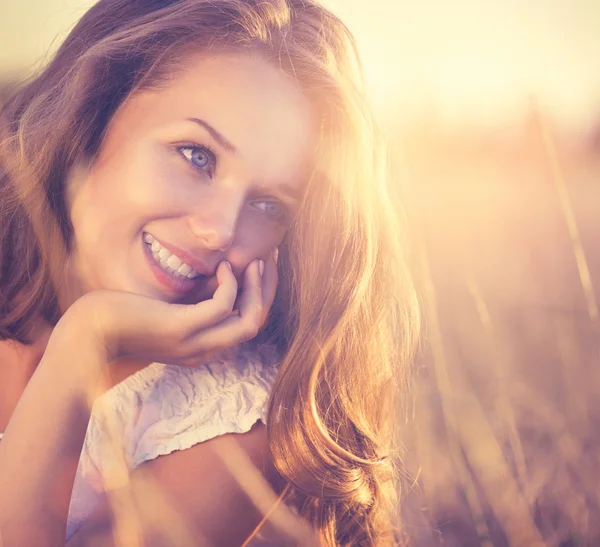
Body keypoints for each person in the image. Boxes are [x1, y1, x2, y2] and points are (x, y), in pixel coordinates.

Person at [0, 0, 419, 544]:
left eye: (269, 205)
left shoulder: (238, 424)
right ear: (94, 117)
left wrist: (86, 338)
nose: (219, 231)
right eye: (196, 155)